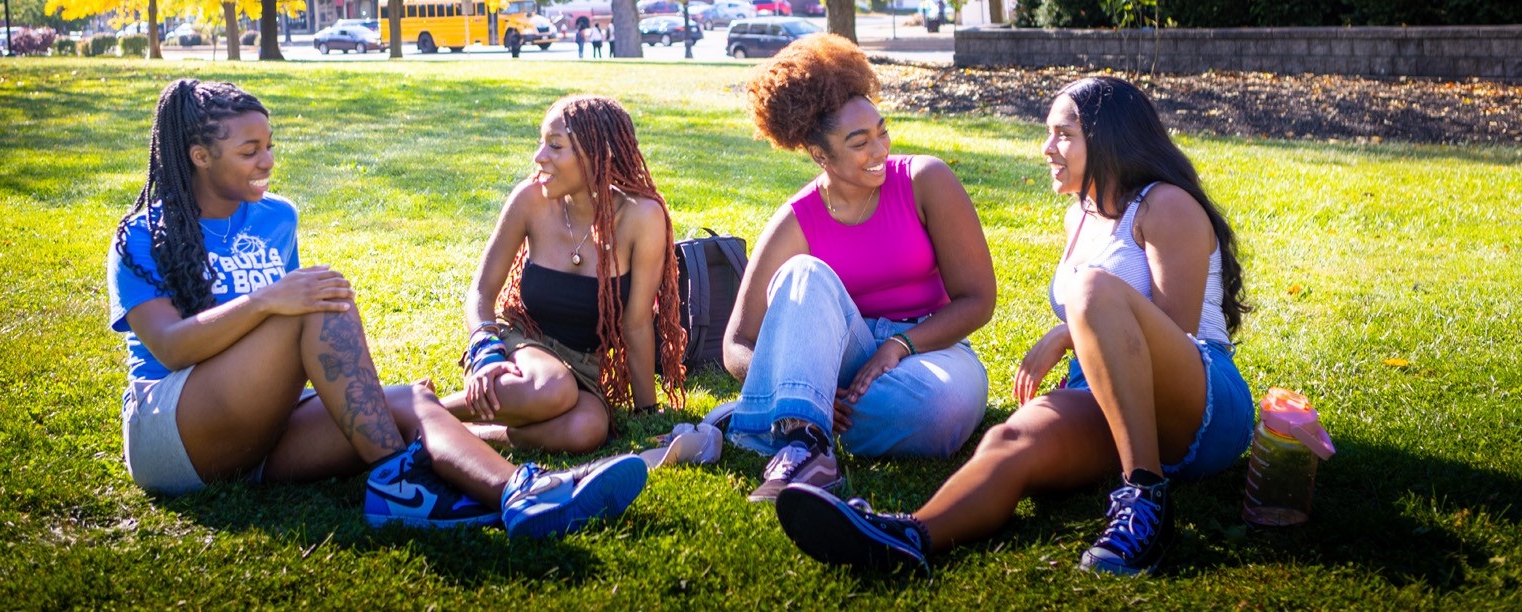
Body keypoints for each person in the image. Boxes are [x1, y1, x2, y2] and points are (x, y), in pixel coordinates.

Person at [108, 79, 648, 538]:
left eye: (270, 145)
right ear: (200, 157)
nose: (267, 162)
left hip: (262, 431)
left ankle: (524, 494)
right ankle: (399, 485)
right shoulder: (141, 235)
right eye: (250, 152)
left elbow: (287, 347)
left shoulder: (276, 217)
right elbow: (171, 347)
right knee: (318, 300)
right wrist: (266, 300)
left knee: (412, 402)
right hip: (174, 436)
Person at [772, 76, 1257, 576]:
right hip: (1106, 397)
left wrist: (1067, 332)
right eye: (1048, 133)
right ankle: (906, 535)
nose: (1047, 148)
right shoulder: (1081, 216)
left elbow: (1174, 335)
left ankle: (1145, 501)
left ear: (1110, 136)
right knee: (1008, 440)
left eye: (1063, 134)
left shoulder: (1165, 205)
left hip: (1199, 402)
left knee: (1089, 289)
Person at [717, 33, 996, 503]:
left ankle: (782, 410)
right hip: (844, 357)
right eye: (859, 142)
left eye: (882, 131)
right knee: (804, 273)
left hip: (932, 349)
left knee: (941, 412)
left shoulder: (925, 180)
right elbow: (737, 344)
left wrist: (901, 346)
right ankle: (808, 443)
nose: (880, 149)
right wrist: (821, 382)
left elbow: (978, 300)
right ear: (820, 155)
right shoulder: (796, 219)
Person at [446, 95, 687, 454]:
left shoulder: (641, 217)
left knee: (588, 429)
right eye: (542, 143)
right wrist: (485, 351)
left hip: (581, 367)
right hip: (517, 343)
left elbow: (635, 323)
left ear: (598, 156)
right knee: (553, 387)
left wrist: (646, 409)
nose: (539, 157)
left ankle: (464, 434)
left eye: (555, 146)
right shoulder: (530, 200)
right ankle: (419, 409)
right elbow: (481, 292)